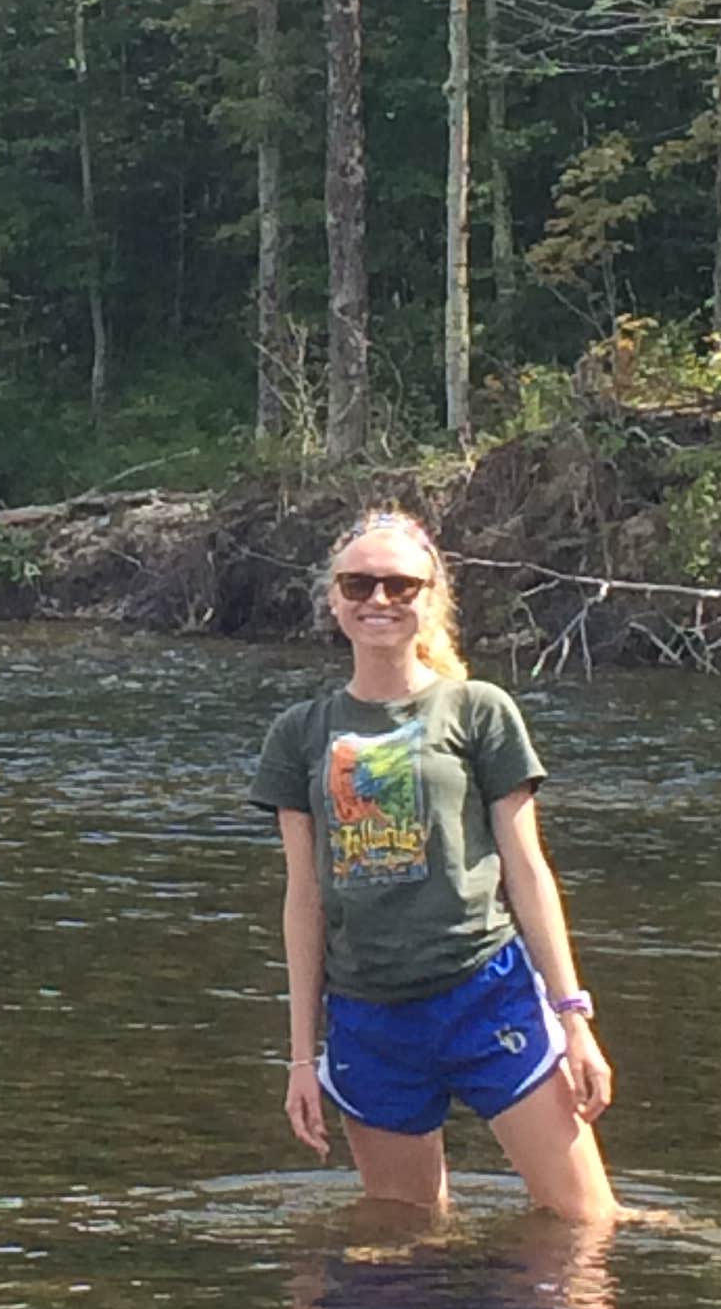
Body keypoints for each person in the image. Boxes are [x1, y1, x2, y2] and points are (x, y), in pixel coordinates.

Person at [250, 507, 619, 1223]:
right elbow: (304, 899)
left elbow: (527, 868)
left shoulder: (479, 711)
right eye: (358, 585)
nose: (378, 601)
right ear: (333, 599)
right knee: (403, 1238)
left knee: (586, 1230)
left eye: (398, 585)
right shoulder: (299, 734)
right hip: (369, 1014)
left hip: (488, 993)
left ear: (431, 596)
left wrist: (573, 1017)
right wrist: (301, 1057)